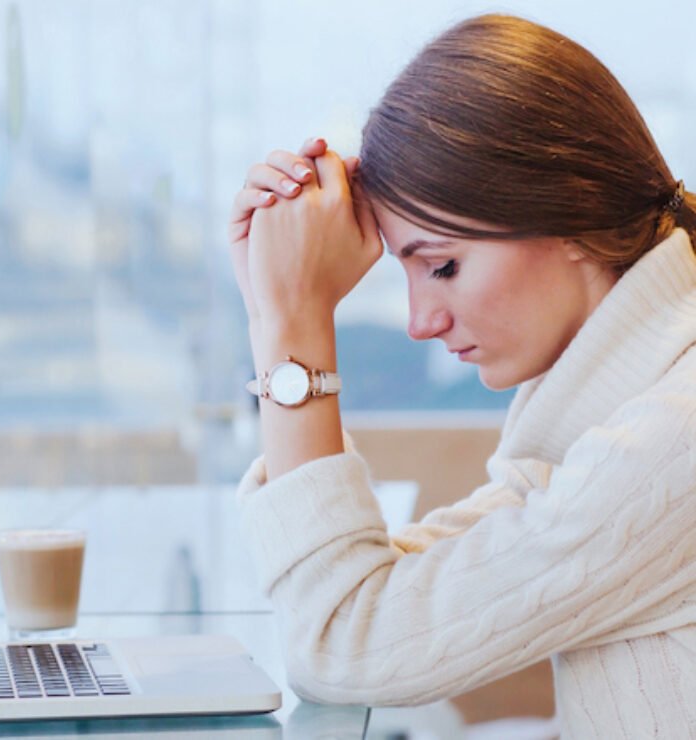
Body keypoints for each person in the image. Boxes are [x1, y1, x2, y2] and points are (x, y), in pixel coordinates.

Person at [227, 13, 696, 738]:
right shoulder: (613, 399)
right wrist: (272, 311)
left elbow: (348, 645)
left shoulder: (671, 435)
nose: (420, 321)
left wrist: (291, 331)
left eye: (442, 265)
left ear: (569, 217)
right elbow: (384, 598)